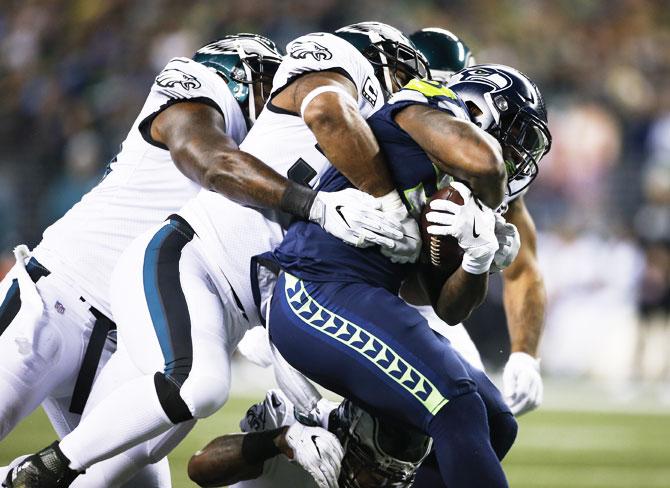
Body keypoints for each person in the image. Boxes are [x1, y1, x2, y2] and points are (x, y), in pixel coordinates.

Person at [3, 22, 427, 488]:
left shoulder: (281, 158)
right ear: (245, 75)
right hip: (56, 301)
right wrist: (317, 206)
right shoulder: (198, 92)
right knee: (194, 384)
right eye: (270, 84)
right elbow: (212, 162)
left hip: (135, 337)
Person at [266, 65, 552, 487]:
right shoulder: (424, 105)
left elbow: (448, 307)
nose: (518, 155)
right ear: (481, 108)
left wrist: (476, 259)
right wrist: (488, 211)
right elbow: (487, 163)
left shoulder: (458, 189)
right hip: (314, 289)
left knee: (495, 422)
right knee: (455, 407)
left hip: (363, 297)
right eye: (517, 135)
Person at [411, 28, 546, 417]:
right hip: (347, 294)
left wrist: (524, 355)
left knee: (481, 418)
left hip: (424, 306)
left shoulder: (484, 167)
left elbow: (523, 269)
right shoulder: (374, 136)